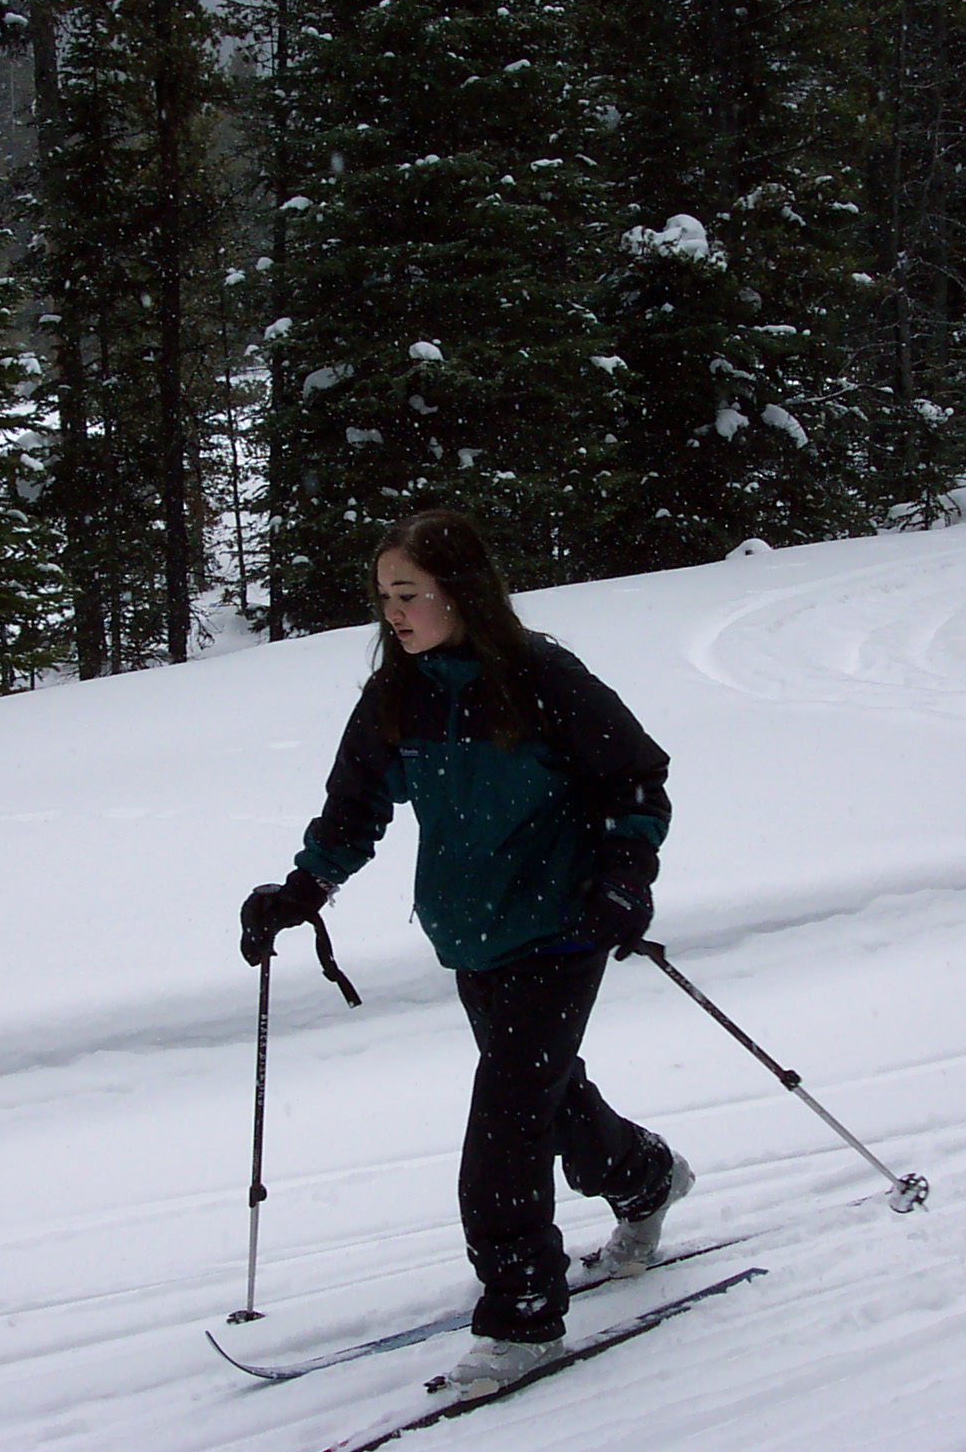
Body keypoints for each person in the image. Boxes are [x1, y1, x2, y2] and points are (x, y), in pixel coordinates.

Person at [241, 508, 691, 1397]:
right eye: (384, 599)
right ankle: (645, 1178)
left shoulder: (542, 680)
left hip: (562, 928)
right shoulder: (397, 695)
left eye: (409, 595)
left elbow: (635, 778)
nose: (394, 615)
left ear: (462, 592)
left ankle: (524, 1317)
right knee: (548, 1096)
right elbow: (354, 808)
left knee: (506, 1126)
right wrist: (301, 891)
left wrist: (623, 881)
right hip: (470, 931)